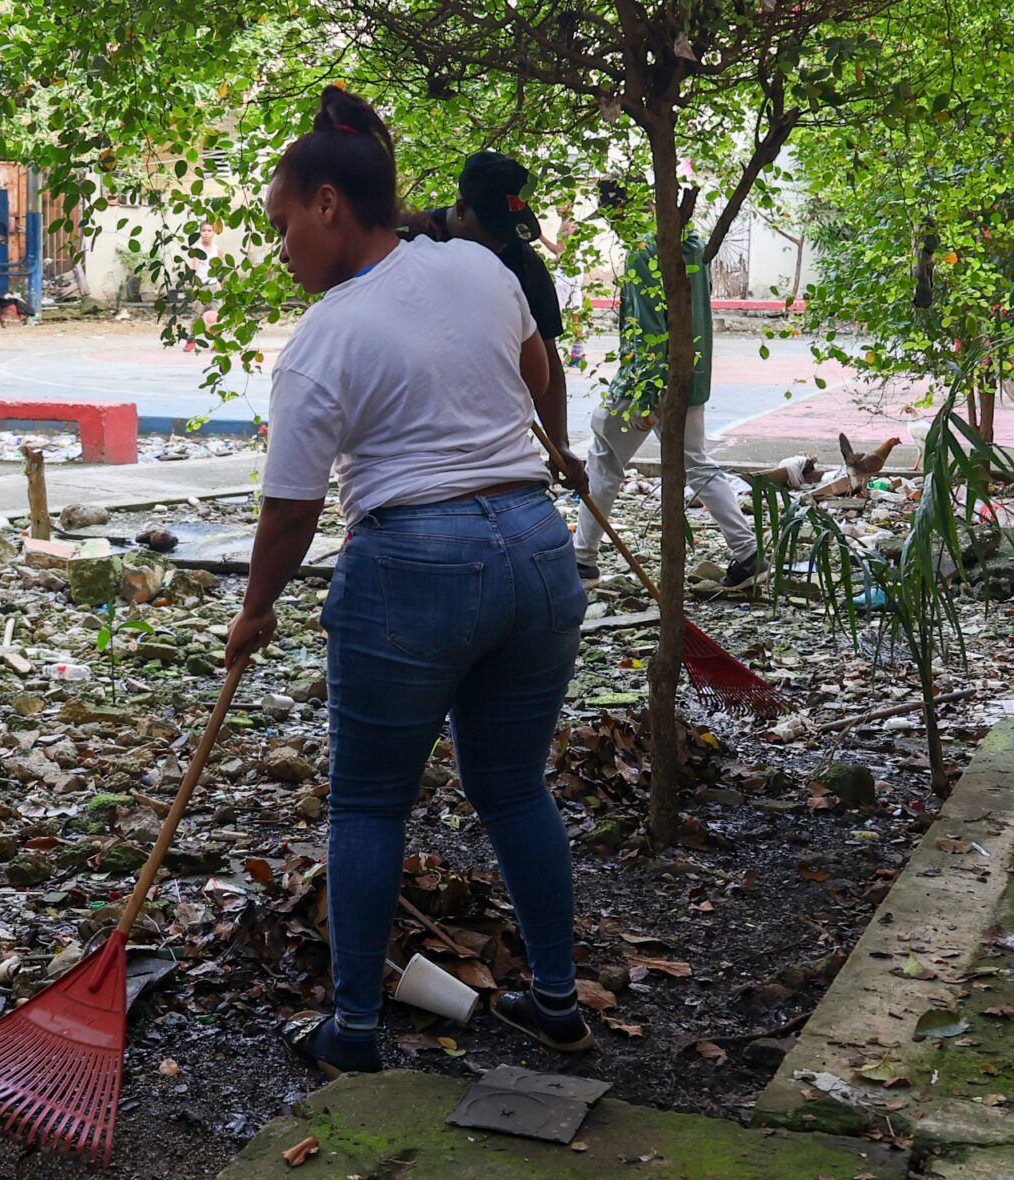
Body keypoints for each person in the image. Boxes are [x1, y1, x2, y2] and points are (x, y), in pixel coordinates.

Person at [226, 86, 594, 1075]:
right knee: (514, 785)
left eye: (281, 223)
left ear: (327, 206)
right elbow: (534, 365)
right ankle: (554, 1002)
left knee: (367, 804)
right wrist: (512, 433)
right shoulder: (476, 265)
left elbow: (292, 508)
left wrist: (253, 609)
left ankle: (352, 1030)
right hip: (533, 546)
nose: (282, 247)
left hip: (414, 564)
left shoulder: (322, 339)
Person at [574, 179, 764, 591]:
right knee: (696, 461)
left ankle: (582, 561)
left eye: (611, 217)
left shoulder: (643, 250)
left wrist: (643, 395)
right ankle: (748, 553)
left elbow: (647, 329)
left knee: (603, 460)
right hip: (690, 376)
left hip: (649, 379)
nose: (613, 226)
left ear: (622, 210)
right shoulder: (690, 242)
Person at [403, 151, 577, 478]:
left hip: (491, 444)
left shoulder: (522, 263)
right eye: (494, 230)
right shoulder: (406, 243)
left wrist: (559, 443)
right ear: (463, 209)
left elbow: (547, 357)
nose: (502, 243)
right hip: (414, 444)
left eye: (510, 232)